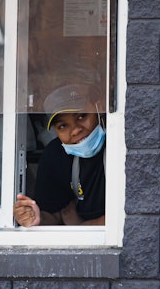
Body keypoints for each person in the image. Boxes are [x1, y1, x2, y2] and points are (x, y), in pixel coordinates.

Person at [13, 84, 106, 227]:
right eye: (63, 126)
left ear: (99, 108)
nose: (75, 131)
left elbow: (127, 217)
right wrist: (36, 217)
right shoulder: (55, 156)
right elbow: (55, 215)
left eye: (82, 116)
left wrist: (81, 225)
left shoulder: (123, 146)